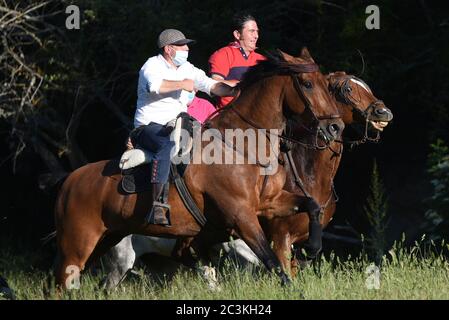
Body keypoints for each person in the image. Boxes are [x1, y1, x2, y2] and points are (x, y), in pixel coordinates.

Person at [131, 29, 236, 226]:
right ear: (169, 49)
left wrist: (236, 90)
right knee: (167, 145)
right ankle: (157, 206)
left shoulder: (187, 67)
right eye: (182, 46)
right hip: (147, 128)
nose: (187, 49)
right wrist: (182, 84)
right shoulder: (151, 65)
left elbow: (211, 85)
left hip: (176, 125)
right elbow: (155, 86)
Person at [209, 13, 265, 108]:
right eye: (251, 31)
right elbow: (214, 84)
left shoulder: (262, 59)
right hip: (229, 115)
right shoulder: (223, 54)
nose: (256, 36)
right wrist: (246, 85)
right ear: (237, 34)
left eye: (257, 31)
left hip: (258, 114)